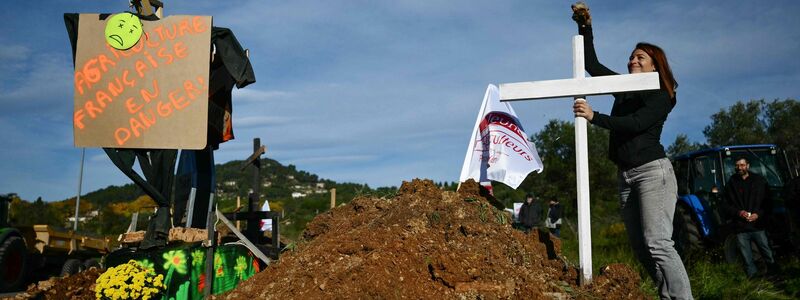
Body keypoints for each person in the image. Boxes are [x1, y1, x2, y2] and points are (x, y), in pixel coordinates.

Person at [570, 3, 692, 299]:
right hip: (625, 175)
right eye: (631, 57)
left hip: (653, 172)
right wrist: (585, 26)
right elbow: (592, 66)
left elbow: (636, 123)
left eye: (640, 57)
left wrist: (594, 117)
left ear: (654, 65)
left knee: (658, 243)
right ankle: (667, 296)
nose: (632, 60)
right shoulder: (624, 87)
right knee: (640, 247)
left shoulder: (662, 94)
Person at [723, 157, 776, 277]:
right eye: (737, 165)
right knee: (746, 256)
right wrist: (739, 213)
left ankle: (774, 274)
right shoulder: (731, 183)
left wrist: (758, 214)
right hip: (741, 227)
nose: (739, 168)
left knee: (767, 252)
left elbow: (768, 202)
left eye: (742, 165)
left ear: (748, 165)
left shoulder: (759, 181)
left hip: (758, 225)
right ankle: (753, 279)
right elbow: (726, 205)